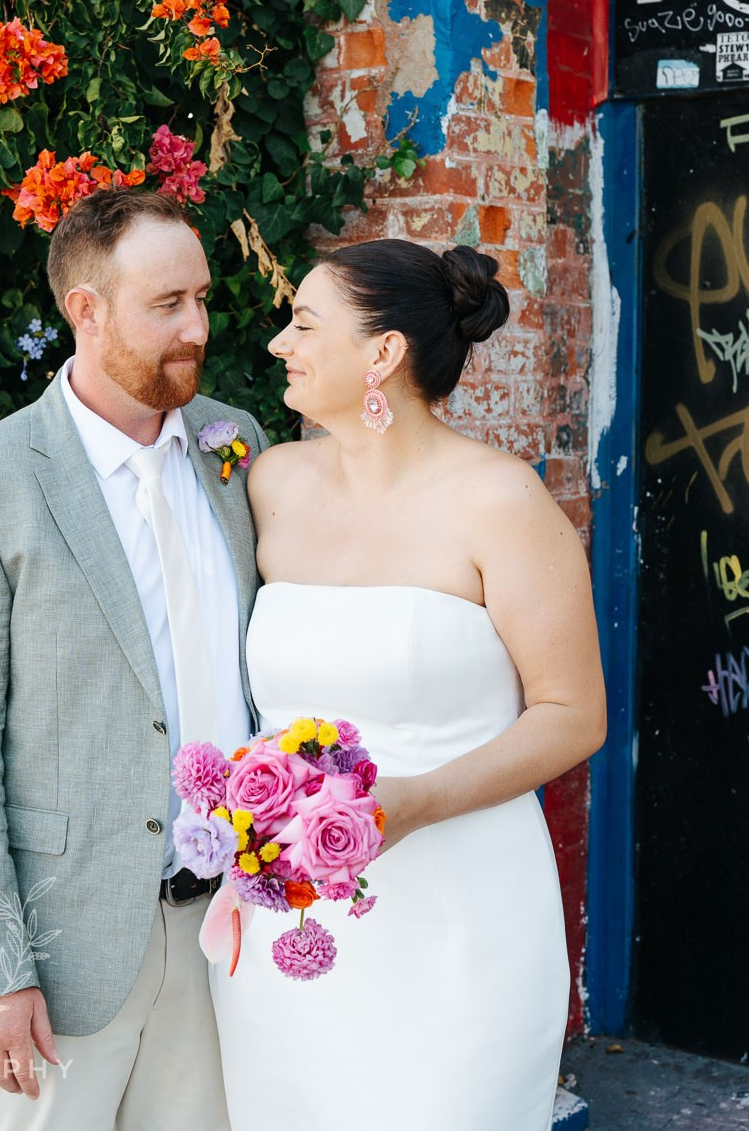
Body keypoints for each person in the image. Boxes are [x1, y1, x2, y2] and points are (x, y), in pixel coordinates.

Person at [211, 239, 606, 1131]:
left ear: (382, 352)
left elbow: (573, 714)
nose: (278, 343)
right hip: (295, 920)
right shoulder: (270, 483)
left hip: (461, 920)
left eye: (304, 324)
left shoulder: (500, 501)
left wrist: (416, 803)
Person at [0, 187, 267, 1131]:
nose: (198, 328)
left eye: (202, 298)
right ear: (86, 311)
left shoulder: (235, 444)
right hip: (64, 950)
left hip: (228, 932)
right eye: (167, 305)